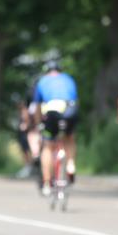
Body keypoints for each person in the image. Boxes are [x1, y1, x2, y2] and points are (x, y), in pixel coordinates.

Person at [30, 58, 79, 195]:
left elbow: (38, 107)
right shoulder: (69, 78)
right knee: (70, 137)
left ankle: (46, 183)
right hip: (70, 108)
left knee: (48, 146)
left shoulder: (42, 81)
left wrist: (39, 124)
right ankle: (70, 165)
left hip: (52, 110)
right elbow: (75, 98)